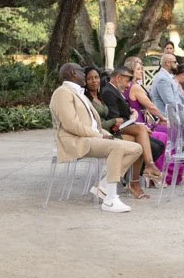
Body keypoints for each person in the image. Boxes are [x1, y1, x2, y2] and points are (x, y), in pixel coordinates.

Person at [50, 63, 143, 213]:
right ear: (74, 73)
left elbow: (93, 123)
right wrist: (99, 135)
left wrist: (104, 134)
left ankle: (104, 186)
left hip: (93, 137)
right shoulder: (62, 92)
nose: (84, 76)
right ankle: (110, 200)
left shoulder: (79, 93)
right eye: (82, 72)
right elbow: (71, 125)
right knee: (117, 147)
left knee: (136, 148)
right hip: (76, 140)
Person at [84, 66, 163, 198]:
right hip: (106, 132)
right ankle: (139, 177)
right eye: (90, 78)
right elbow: (110, 119)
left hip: (115, 128)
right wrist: (127, 119)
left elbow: (116, 115)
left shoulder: (101, 94)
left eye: (96, 77)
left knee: (140, 142)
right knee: (140, 135)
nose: (94, 81)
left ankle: (133, 181)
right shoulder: (102, 94)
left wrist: (130, 115)